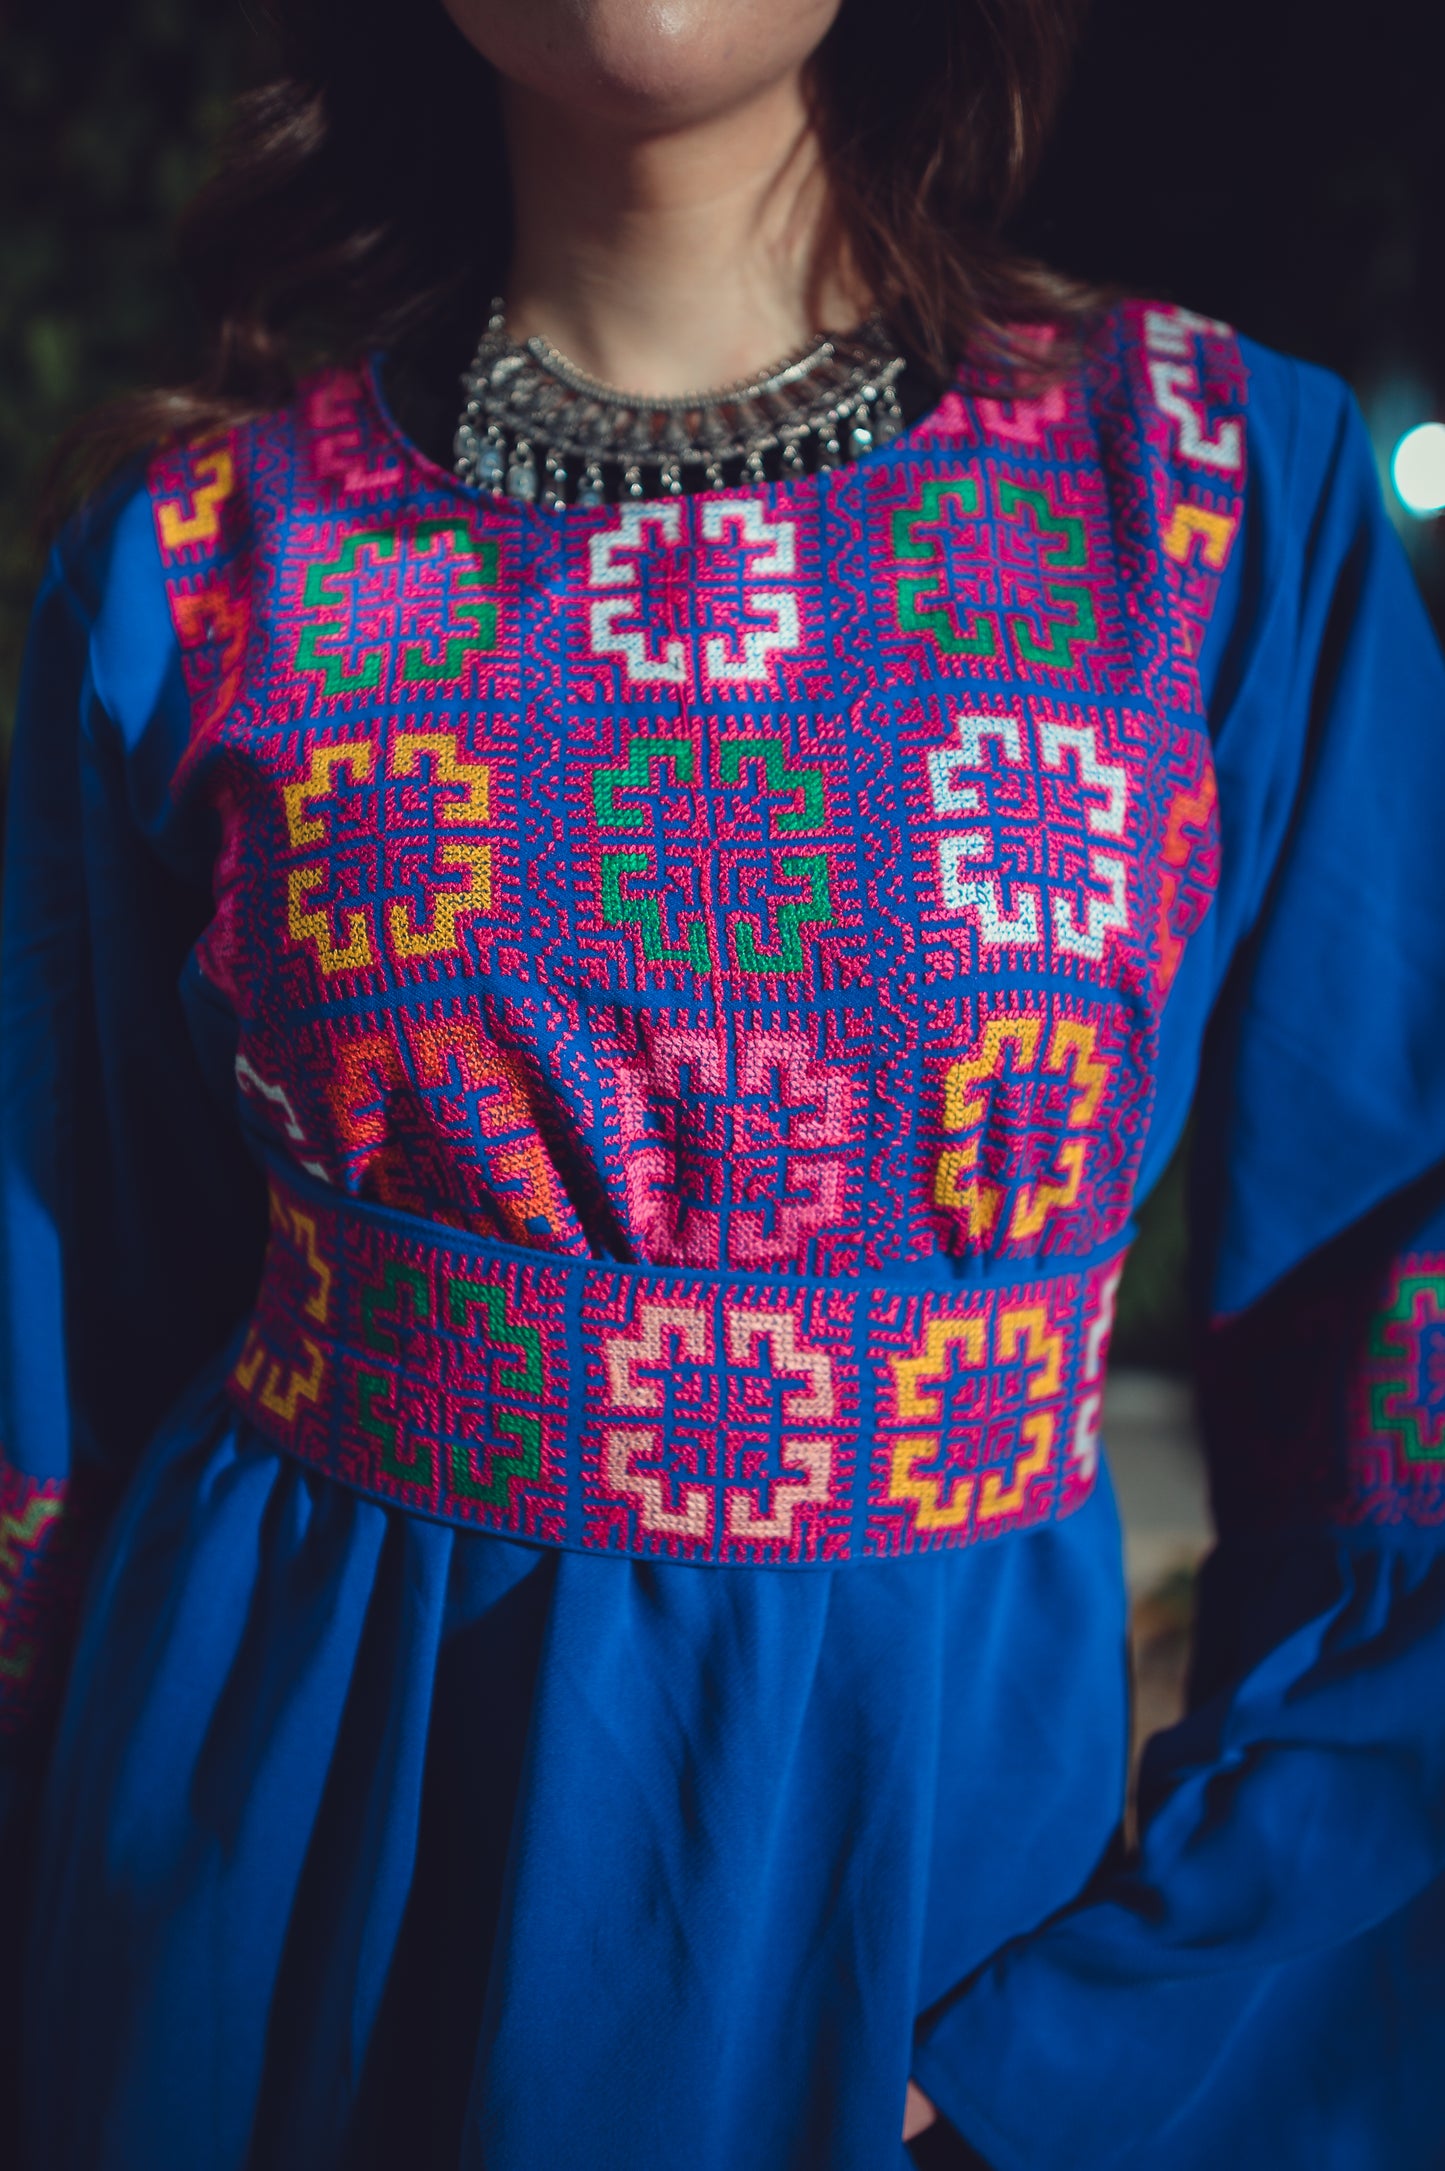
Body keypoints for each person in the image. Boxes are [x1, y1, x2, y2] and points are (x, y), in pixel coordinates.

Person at [3, 0, 1444, 2164]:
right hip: (260, 1934)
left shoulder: (1216, 494)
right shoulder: (200, 553)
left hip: (920, 1961)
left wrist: (1101, 2042)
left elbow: (1404, 1382)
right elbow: (60, 1390)